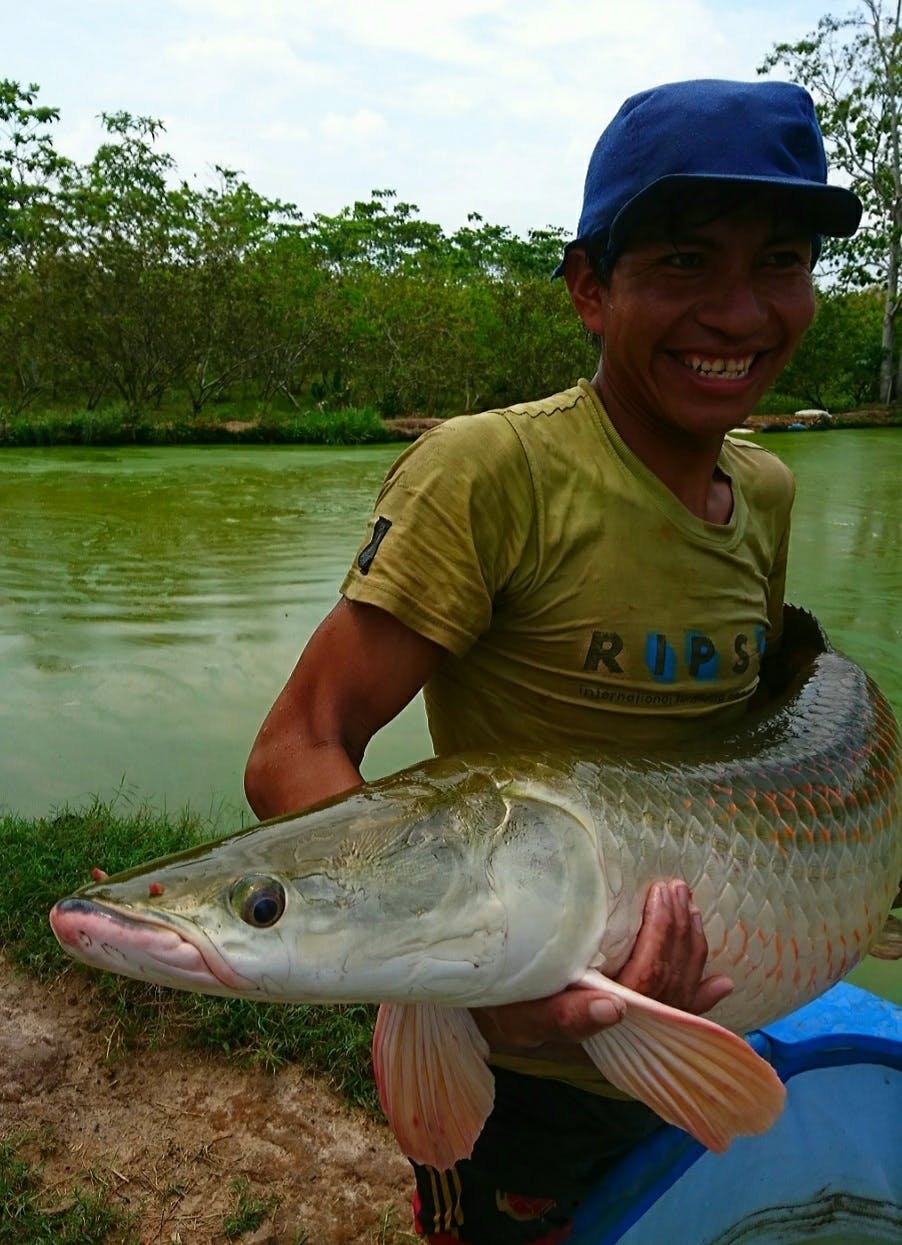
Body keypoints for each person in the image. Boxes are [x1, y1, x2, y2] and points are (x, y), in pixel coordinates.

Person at [245, 79, 862, 1245]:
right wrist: (469, 985)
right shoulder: (487, 474)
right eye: (683, 264)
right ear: (589, 288)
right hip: (519, 1072)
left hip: (712, 1018)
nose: (736, 314)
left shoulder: (765, 494)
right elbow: (299, 742)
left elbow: (750, 740)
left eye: (777, 263)